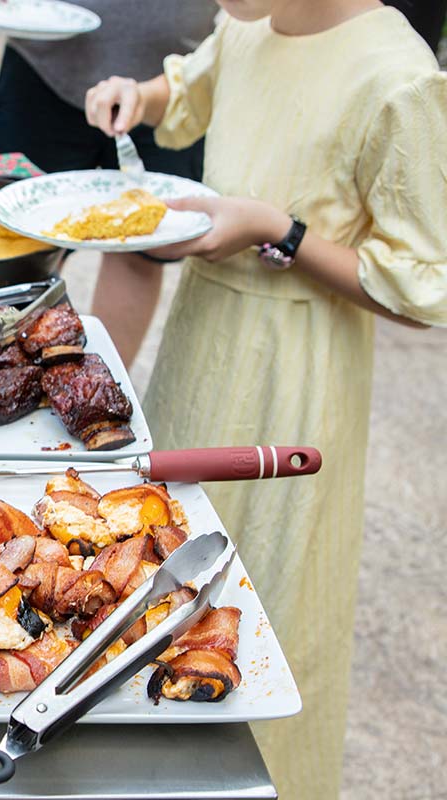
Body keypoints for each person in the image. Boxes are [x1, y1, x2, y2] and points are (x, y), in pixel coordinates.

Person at [83, 1, 446, 796]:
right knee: (162, 574)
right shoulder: (252, 20)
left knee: (268, 608)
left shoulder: (398, 76)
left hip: (298, 373)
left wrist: (276, 229)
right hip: (203, 345)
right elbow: (192, 86)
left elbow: (422, 286)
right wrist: (137, 98)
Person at [0, 1, 219, 365]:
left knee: (142, 249)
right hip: (44, 65)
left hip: (176, 79)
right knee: (18, 246)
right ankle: (12, 372)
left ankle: (101, 379)